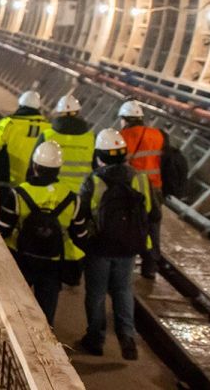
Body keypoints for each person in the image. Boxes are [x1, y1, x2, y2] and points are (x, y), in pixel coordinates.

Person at [70, 128, 159, 361]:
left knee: (97, 293)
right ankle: (127, 336)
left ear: (99, 155)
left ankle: (96, 339)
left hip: (100, 247)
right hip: (129, 247)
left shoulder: (94, 180)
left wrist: (81, 241)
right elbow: (151, 212)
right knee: (123, 290)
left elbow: (81, 214)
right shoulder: (140, 178)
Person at [0, 141, 84, 326]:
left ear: (34, 166)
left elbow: (3, 229)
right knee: (46, 313)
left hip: (21, 258)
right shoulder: (72, 197)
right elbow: (79, 234)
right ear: (58, 168)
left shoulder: (18, 194)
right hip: (53, 263)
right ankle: (44, 341)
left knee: (16, 306)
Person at [118, 100, 168, 279]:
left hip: (134, 189)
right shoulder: (158, 135)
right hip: (155, 187)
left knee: (131, 224)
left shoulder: (122, 136)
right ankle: (151, 266)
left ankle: (126, 261)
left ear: (125, 119)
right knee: (153, 226)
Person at [0, 90, 48, 204]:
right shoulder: (48, 128)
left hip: (8, 179)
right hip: (36, 180)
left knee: (7, 208)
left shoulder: (8, 123)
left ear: (20, 105)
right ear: (38, 108)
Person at [38, 94, 95, 196]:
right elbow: (96, 167)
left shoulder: (47, 135)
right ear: (78, 112)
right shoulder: (91, 138)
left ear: (59, 112)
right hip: (81, 192)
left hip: (51, 190)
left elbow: (35, 164)